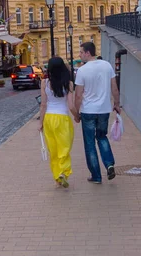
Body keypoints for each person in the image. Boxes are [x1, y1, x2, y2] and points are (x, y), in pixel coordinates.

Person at [74, 42, 120, 184]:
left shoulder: (82, 71)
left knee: (89, 144)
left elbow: (78, 95)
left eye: (81, 52)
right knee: (102, 137)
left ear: (88, 53)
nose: (80, 55)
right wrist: (117, 104)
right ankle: (109, 164)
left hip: (88, 111)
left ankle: (96, 176)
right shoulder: (107, 65)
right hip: (104, 110)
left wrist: (76, 113)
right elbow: (114, 87)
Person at [39, 56, 78, 188]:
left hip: (49, 118)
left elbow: (43, 105)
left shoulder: (44, 83)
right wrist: (77, 117)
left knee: (53, 149)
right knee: (64, 148)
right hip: (62, 119)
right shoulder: (68, 83)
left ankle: (57, 176)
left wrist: (40, 123)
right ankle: (63, 172)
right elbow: (71, 106)